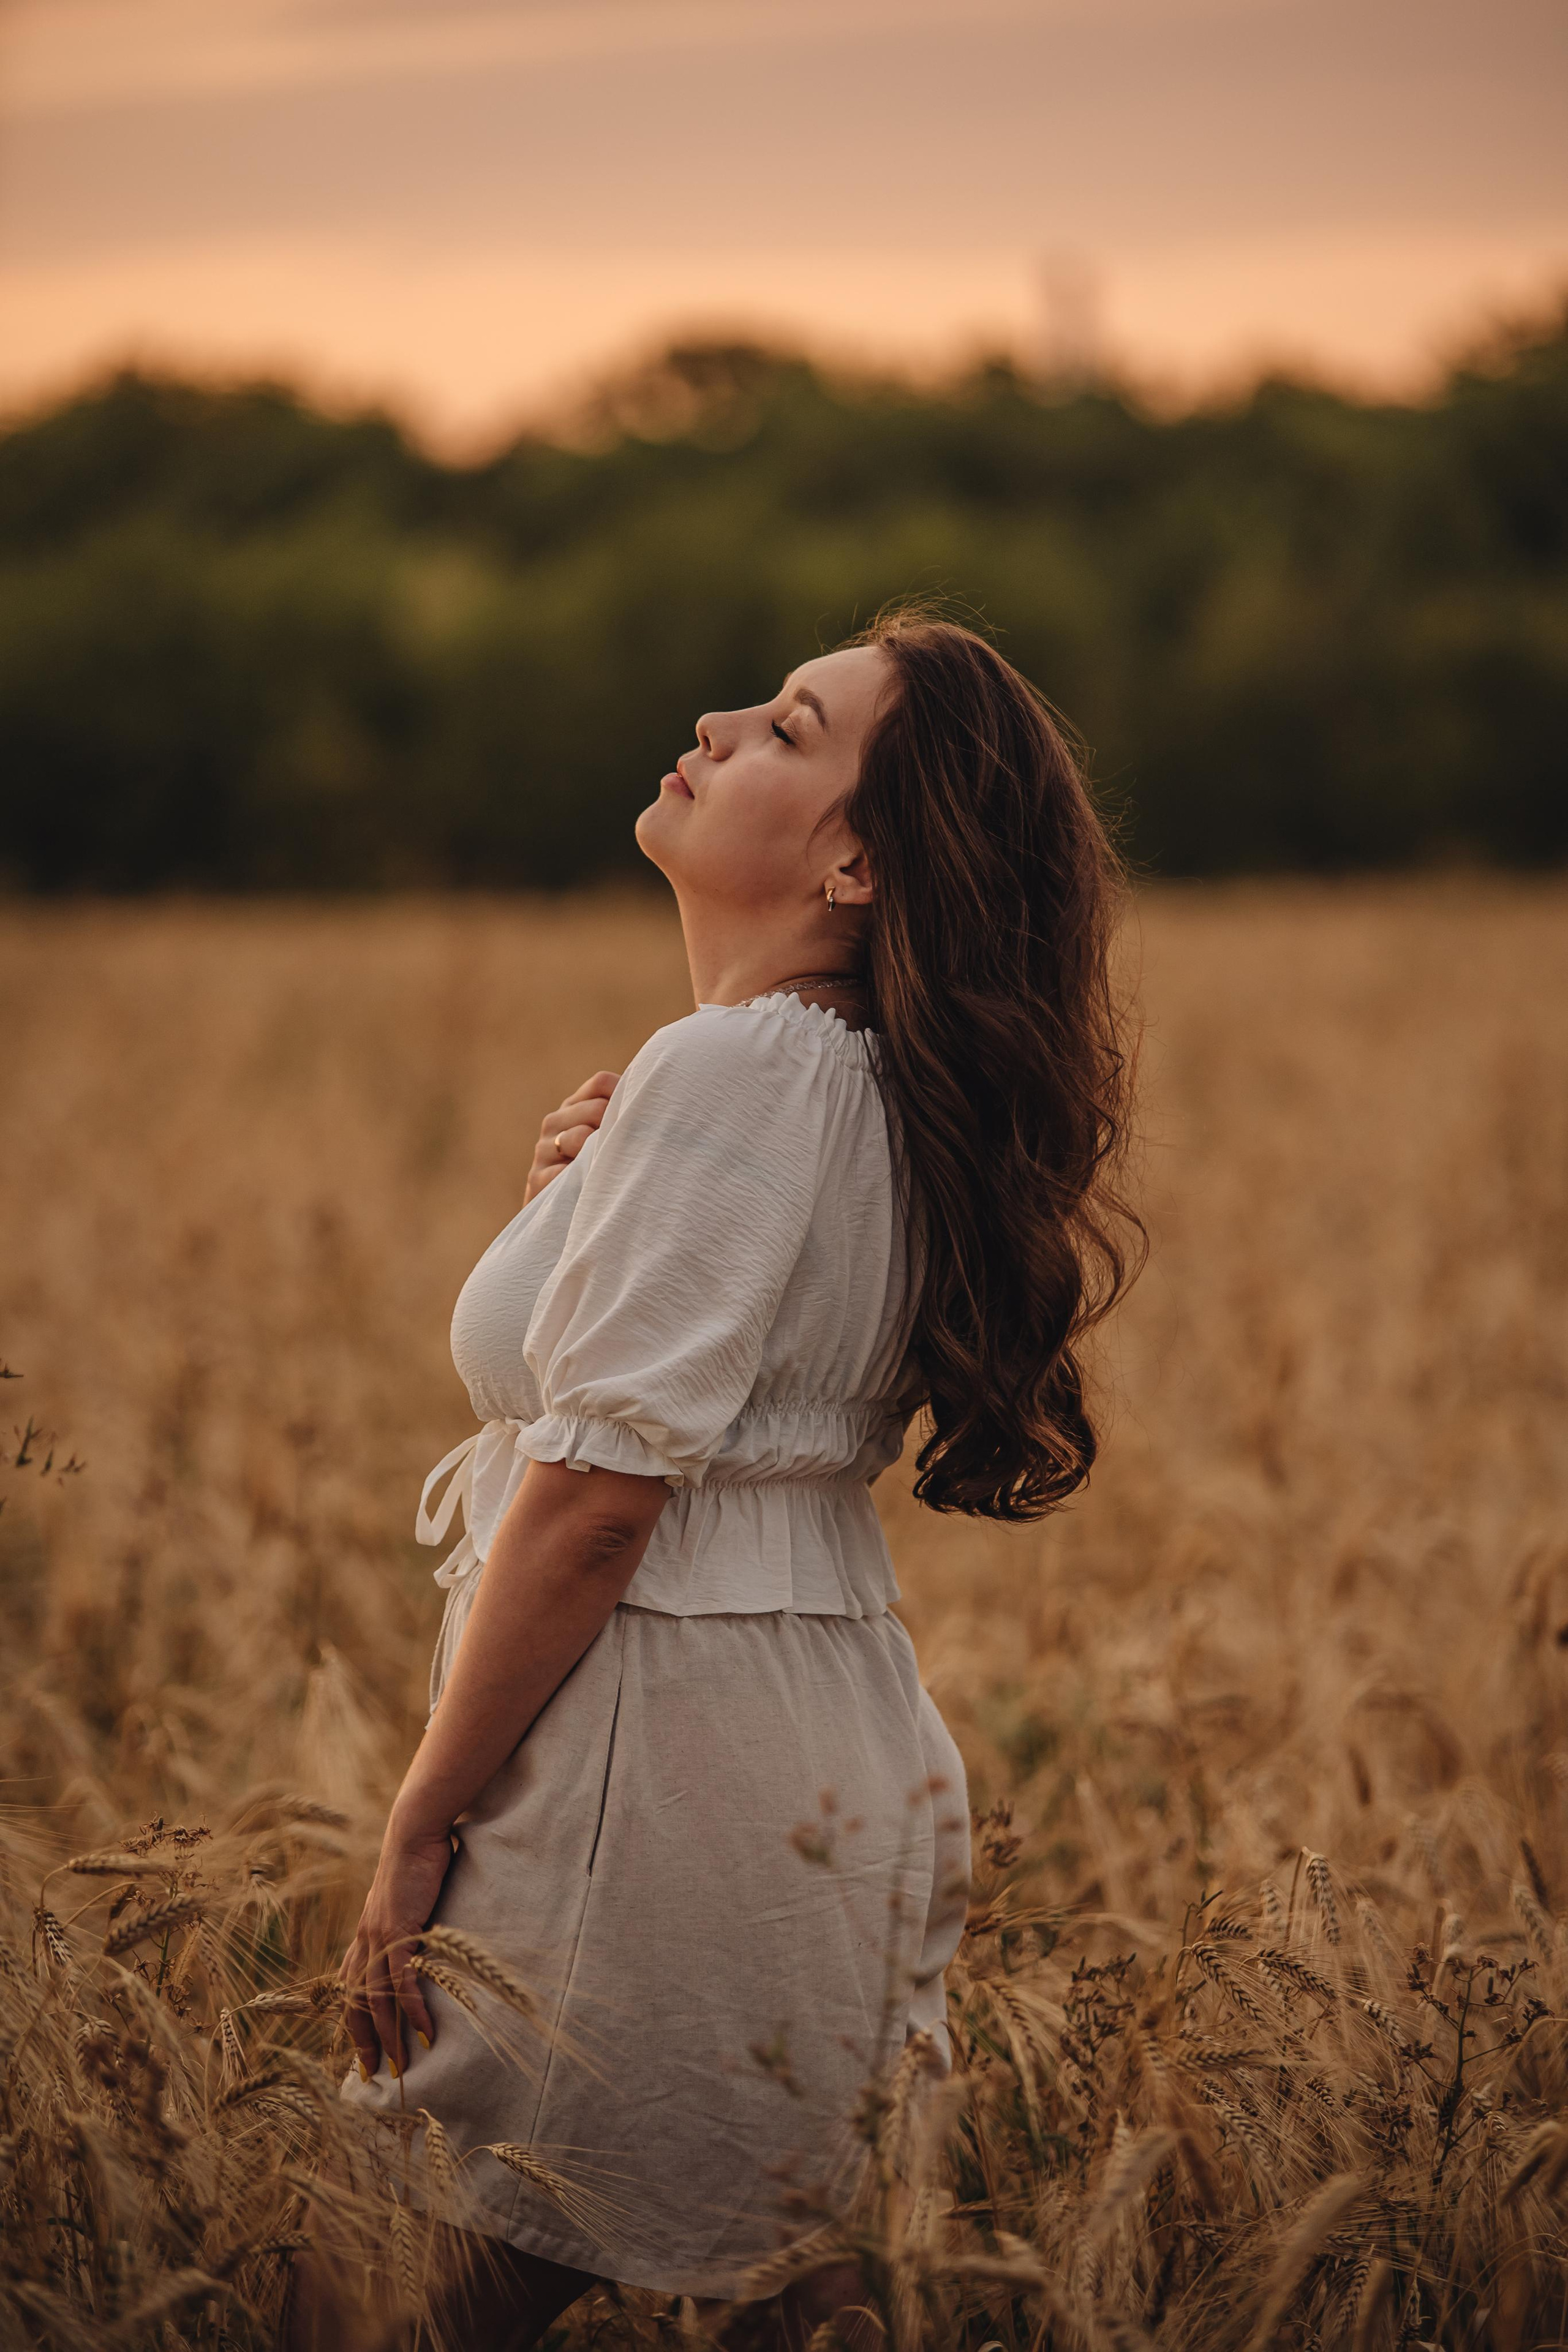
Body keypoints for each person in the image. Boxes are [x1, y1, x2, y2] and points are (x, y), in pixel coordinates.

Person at [336, 611, 1140, 2348]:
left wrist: (421, 1817)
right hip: (806, 1725)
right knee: (782, 2275)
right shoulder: (852, 1087)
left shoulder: (729, 1078)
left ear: (858, 856)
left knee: (476, 2276)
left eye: (787, 726)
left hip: (658, 1756)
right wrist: (586, 1198)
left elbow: (599, 1495)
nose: (710, 720)